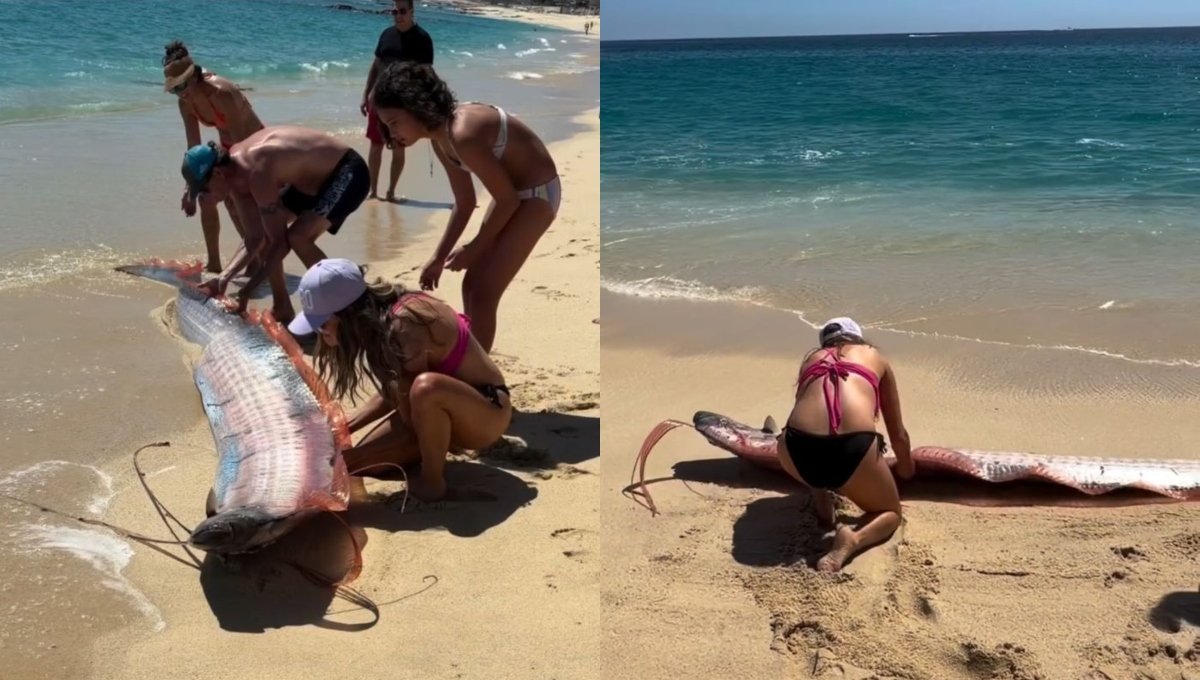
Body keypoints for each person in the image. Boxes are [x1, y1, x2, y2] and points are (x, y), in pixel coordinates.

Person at [372, 61, 561, 353]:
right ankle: (473, 362)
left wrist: (473, 248)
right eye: (386, 125)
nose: (391, 133)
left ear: (416, 106)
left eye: (394, 122)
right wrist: (439, 257)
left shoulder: (463, 134)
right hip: (511, 195)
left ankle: (482, 381)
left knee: (484, 292)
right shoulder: (440, 140)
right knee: (471, 285)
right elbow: (465, 202)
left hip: (537, 195)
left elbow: (508, 200)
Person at [291, 258, 512, 502]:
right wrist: (342, 427)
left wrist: (346, 459)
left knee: (425, 388)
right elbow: (396, 392)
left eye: (322, 325)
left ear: (347, 314)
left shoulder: (405, 325)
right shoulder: (383, 319)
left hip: (487, 414)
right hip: (447, 410)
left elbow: (413, 410)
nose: (322, 333)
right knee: (359, 466)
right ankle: (420, 461)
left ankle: (433, 483)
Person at [181, 126, 371, 323]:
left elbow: (279, 244)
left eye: (203, 190)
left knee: (297, 238)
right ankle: (282, 307)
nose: (203, 197)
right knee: (267, 233)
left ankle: (348, 307)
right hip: (307, 183)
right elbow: (254, 238)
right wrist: (224, 278)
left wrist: (248, 289)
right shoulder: (234, 178)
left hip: (347, 171)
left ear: (218, 174)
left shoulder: (255, 172)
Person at [774, 317, 915, 573]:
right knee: (890, 513)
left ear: (824, 344)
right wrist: (906, 470)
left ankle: (820, 496)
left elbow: (801, 410)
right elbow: (898, 434)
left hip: (797, 449)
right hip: (852, 449)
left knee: (796, 438)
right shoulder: (874, 357)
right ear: (858, 338)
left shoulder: (811, 359)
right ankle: (852, 540)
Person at [163, 40, 265, 273]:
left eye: (181, 87)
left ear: (193, 77)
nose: (179, 94)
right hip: (228, 147)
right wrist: (190, 188)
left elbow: (243, 144)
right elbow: (193, 148)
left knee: (233, 201)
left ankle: (255, 259)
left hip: (254, 146)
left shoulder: (222, 92)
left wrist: (231, 181)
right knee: (206, 198)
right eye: (174, 90)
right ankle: (215, 263)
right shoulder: (185, 103)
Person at [360, 0, 434, 203]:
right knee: (375, 145)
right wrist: (366, 93)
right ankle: (373, 192)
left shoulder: (423, 39)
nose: (398, 15)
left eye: (402, 11)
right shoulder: (386, 34)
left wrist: (425, 105)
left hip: (403, 104)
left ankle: (391, 192)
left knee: (397, 146)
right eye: (394, 11)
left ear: (411, 12)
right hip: (379, 100)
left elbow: (426, 73)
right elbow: (376, 65)